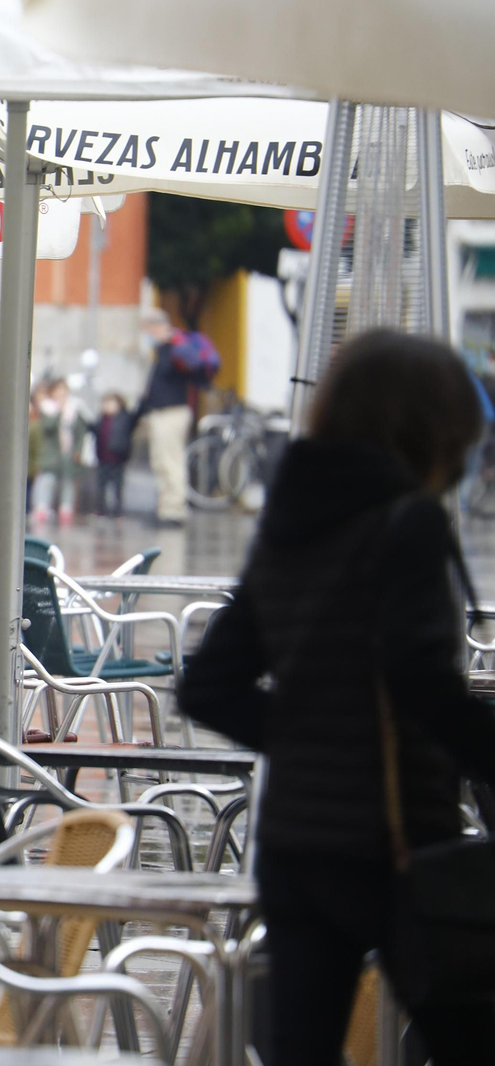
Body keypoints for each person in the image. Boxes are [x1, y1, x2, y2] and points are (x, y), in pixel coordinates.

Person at [179, 330, 495, 1065]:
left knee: (302, 1051)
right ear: (428, 425)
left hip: (294, 844)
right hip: (392, 845)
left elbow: (208, 684)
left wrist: (308, 739)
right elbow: (422, 682)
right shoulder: (406, 523)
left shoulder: (294, 524)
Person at [135, 308, 195, 527]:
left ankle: (174, 511)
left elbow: (173, 374)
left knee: (171, 462)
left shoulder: (175, 348)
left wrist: (167, 342)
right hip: (161, 413)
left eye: (147, 329)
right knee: (161, 461)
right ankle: (165, 508)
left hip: (172, 412)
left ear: (156, 326)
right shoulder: (162, 350)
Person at [31, 378, 84, 527]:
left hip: (68, 451)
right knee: (47, 479)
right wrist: (59, 412)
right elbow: (47, 427)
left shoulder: (74, 409)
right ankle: (42, 507)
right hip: (51, 452)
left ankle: (66, 509)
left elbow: (80, 432)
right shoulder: (48, 408)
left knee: (68, 481)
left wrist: (78, 450)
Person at [93, 393, 133, 518]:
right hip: (102, 458)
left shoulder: (124, 418)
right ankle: (101, 509)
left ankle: (117, 510)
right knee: (101, 486)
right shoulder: (101, 419)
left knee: (117, 486)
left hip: (117, 458)